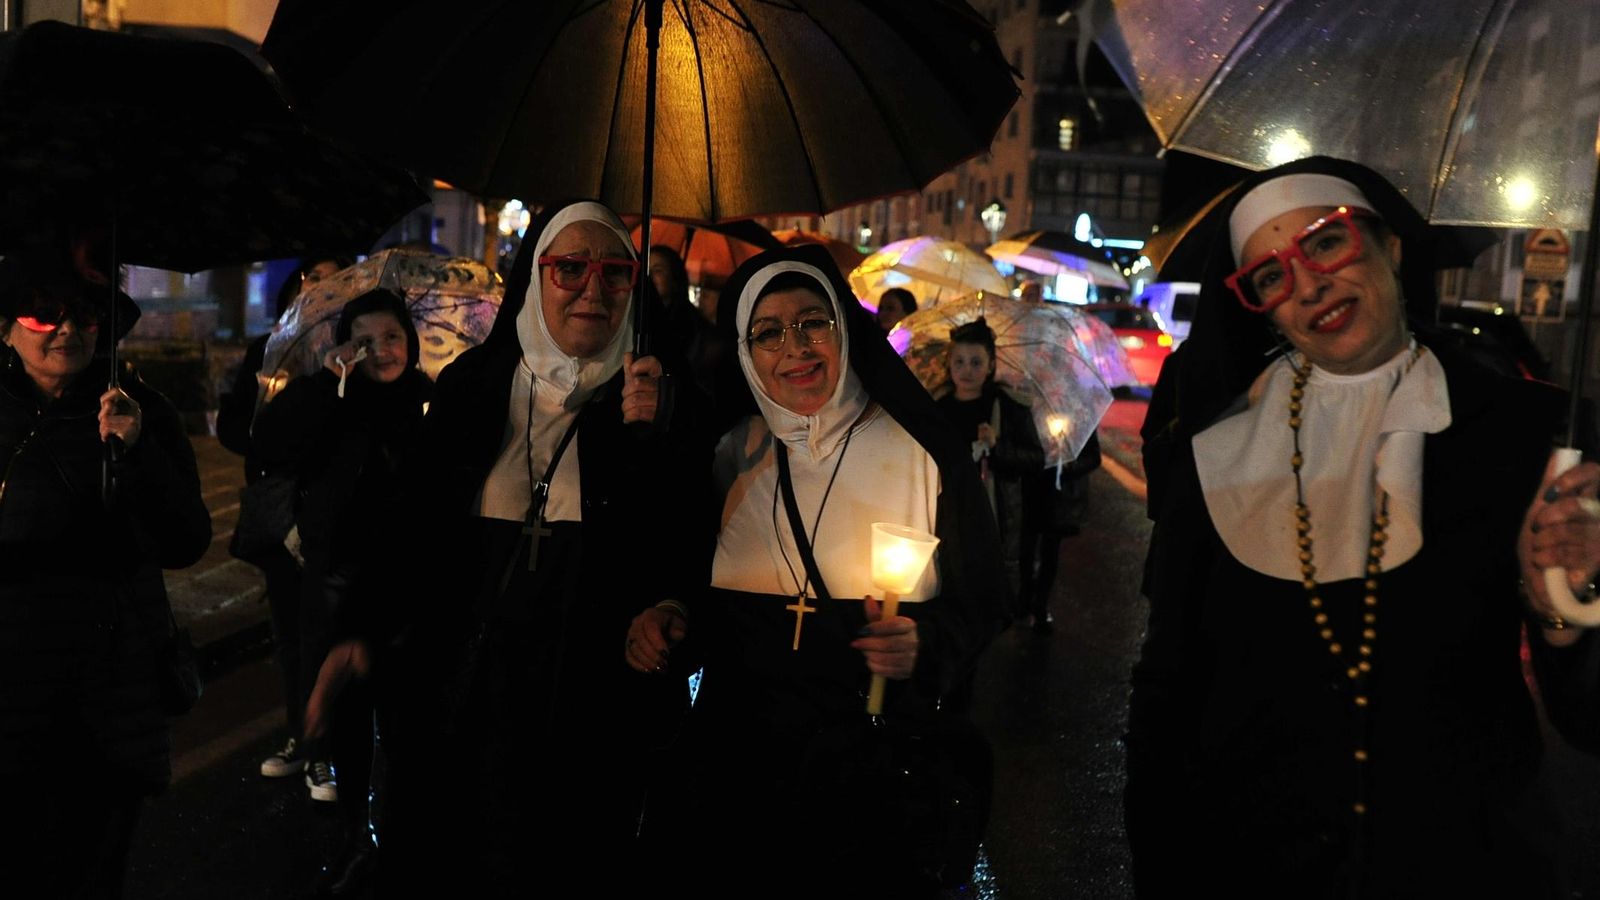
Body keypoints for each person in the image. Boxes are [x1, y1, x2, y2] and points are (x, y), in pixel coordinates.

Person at [1126, 156, 1600, 898]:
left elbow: (1590, 715)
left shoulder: (1523, 434)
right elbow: (1167, 700)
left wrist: (1568, 609)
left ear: (1392, 248)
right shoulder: (1212, 454)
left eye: (1323, 243)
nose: (1308, 284)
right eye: (1270, 276)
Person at [333, 200, 700, 896]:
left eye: (615, 271)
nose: (593, 289)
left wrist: (656, 435)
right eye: (570, 268)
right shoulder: (475, 385)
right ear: (536, 277)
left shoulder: (663, 397)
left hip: (586, 701)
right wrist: (361, 625)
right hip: (468, 691)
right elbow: (413, 523)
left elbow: (685, 543)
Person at [626, 245, 1010, 896]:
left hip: (866, 795)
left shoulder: (923, 454)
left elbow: (983, 600)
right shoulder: (730, 454)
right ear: (746, 352)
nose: (794, 348)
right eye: (768, 332)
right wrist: (670, 617)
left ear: (844, 327)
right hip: (737, 786)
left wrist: (925, 642)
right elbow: (700, 599)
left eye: (813, 322)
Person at [0, 234, 211, 898]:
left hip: (107, 689)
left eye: (84, 313)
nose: (65, 328)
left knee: (92, 866)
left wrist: (137, 448)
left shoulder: (139, 412)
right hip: (11, 687)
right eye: (41, 312)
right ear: (5, 329)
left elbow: (186, 540)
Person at [250, 288, 433, 896]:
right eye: (364, 341)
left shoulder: (432, 406)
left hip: (407, 593)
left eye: (391, 338)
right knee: (351, 731)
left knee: (407, 730)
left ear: (410, 342)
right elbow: (271, 445)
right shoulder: (331, 402)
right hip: (335, 588)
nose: (380, 351)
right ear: (343, 348)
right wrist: (325, 386)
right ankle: (360, 839)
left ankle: (404, 842)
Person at [215, 254, 352, 784]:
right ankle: (301, 734)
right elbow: (234, 429)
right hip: (278, 515)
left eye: (335, 279)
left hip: (333, 518)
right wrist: (262, 414)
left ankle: (330, 747)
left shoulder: (350, 353)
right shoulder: (270, 349)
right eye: (315, 277)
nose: (323, 287)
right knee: (292, 635)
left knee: (333, 634)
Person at [933, 317, 1044, 617]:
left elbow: (1035, 458)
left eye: (976, 362)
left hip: (994, 512)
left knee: (988, 589)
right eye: (959, 362)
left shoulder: (1009, 406)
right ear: (949, 363)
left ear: (991, 365)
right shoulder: (935, 405)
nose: (966, 370)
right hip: (946, 509)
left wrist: (997, 446)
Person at [1019, 431, 1100, 633]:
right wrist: (1042, 455)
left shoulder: (1078, 414)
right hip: (1031, 488)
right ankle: (1023, 598)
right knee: (1026, 547)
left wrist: (1068, 464)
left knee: (1050, 549)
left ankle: (1040, 605)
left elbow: (1093, 457)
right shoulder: (1031, 410)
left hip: (1059, 495)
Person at [648, 243, 723, 395]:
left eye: (657, 270)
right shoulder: (638, 321)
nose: (648, 276)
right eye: (646, 270)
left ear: (674, 278)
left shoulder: (695, 328)